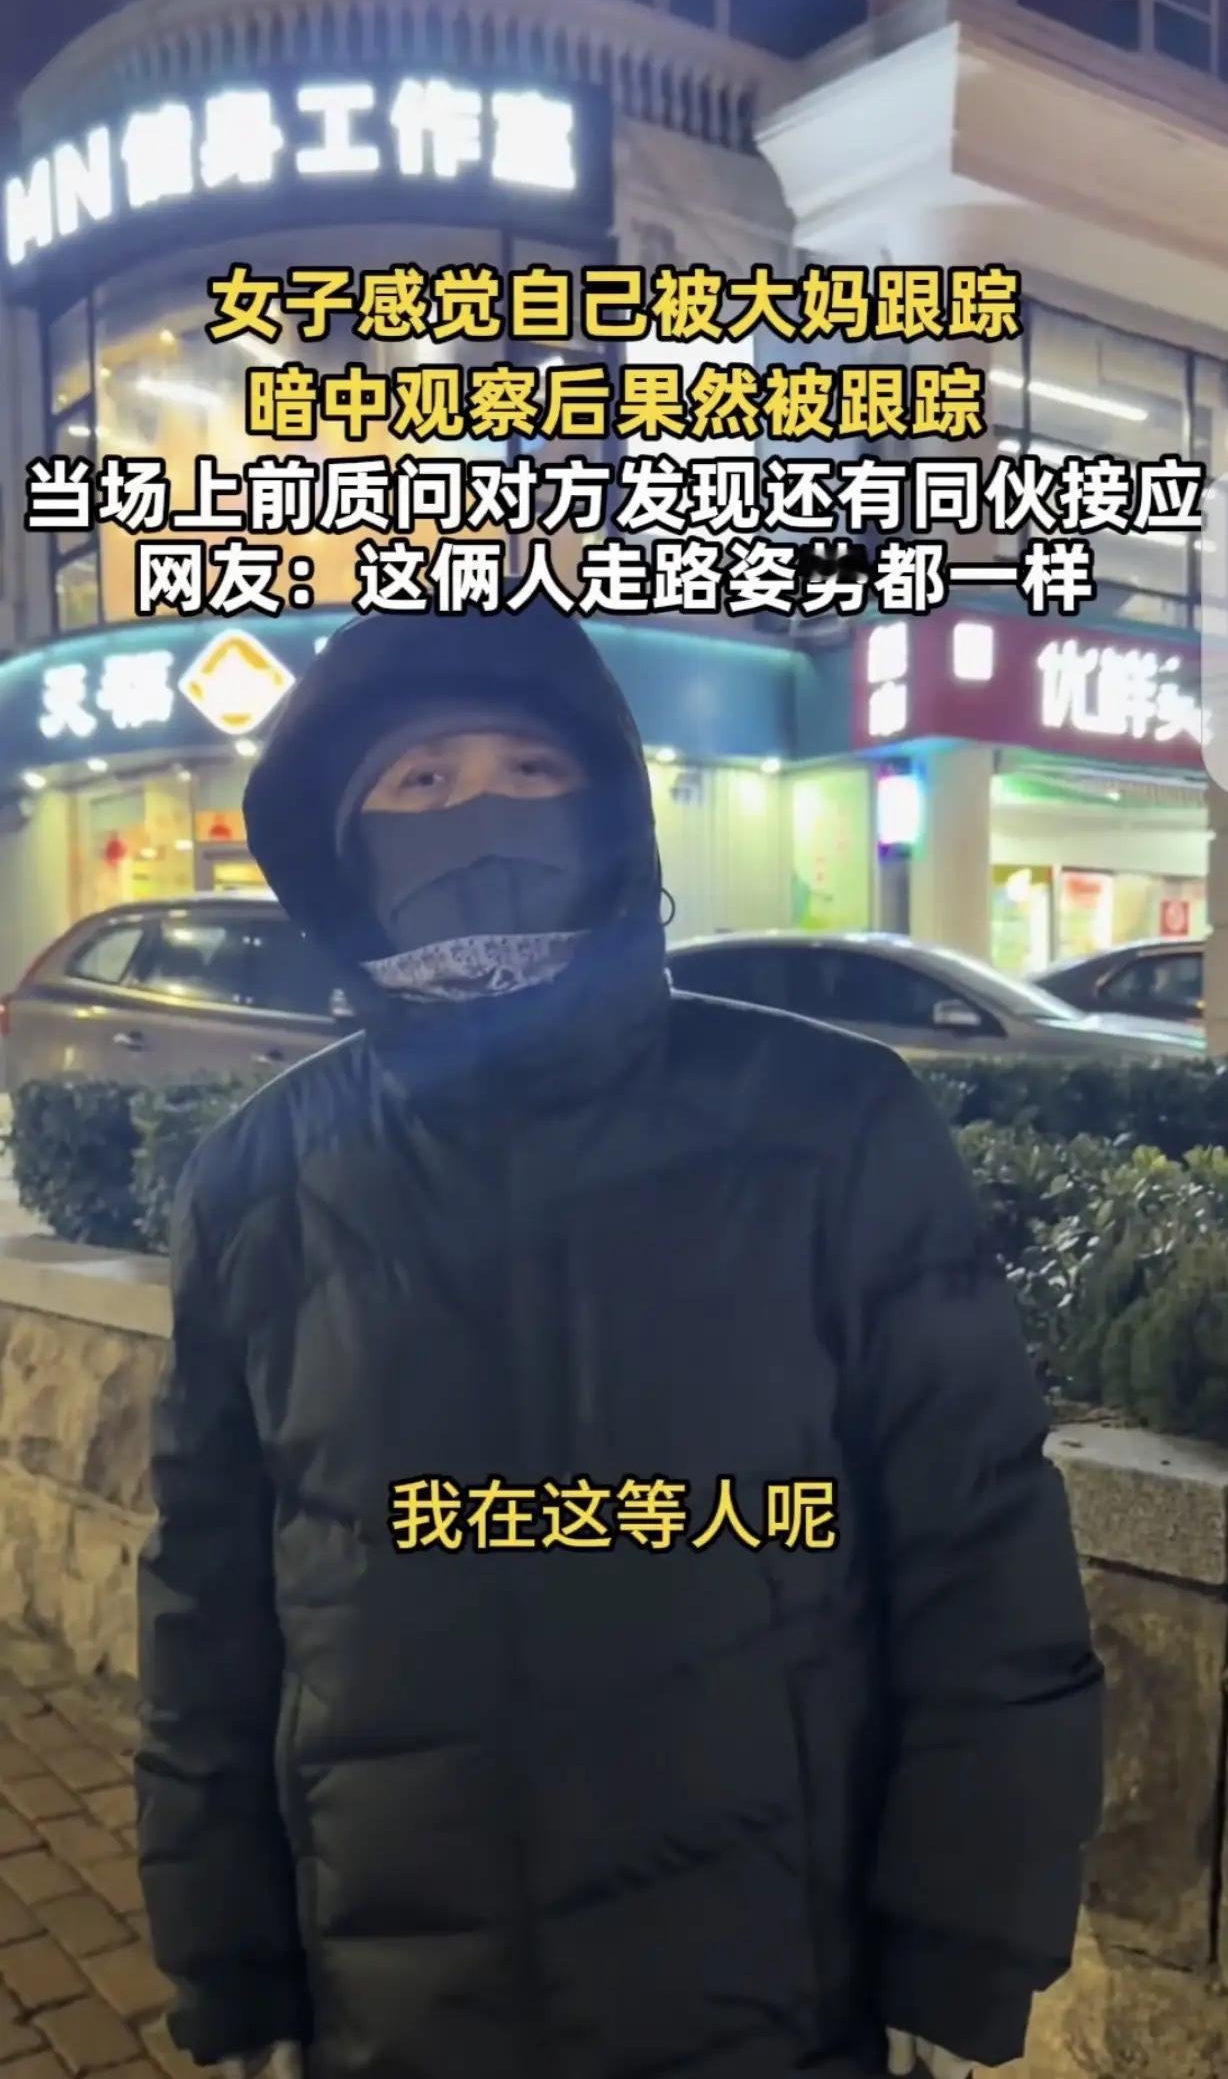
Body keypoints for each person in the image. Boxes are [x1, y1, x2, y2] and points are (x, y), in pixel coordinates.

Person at [135, 594, 1103, 2079]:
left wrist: (962, 1948)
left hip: (771, 1992)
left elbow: (978, 1553)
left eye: (532, 769)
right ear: (338, 843)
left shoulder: (833, 1126)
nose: (480, 815)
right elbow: (208, 1611)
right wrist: (228, 1970)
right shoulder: (259, 1184)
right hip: (397, 2005)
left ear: (612, 808)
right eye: (420, 780)